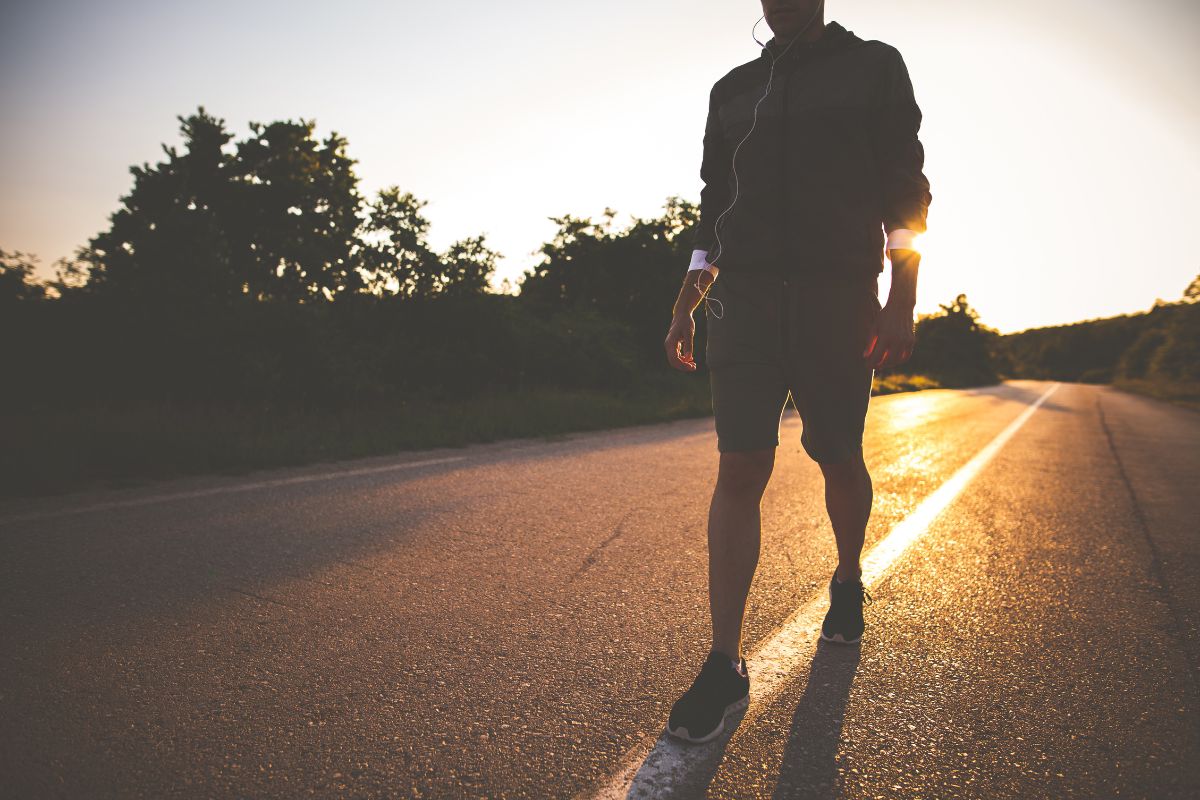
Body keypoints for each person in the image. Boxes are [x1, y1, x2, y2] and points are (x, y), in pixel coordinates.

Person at [660, 0, 932, 744]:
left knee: (838, 458)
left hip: (836, 299)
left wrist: (900, 299)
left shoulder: (873, 66)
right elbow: (713, 210)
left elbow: (906, 193)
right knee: (740, 466)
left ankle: (847, 577)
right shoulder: (733, 89)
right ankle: (724, 664)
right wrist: (688, 303)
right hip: (741, 304)